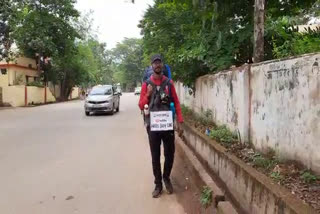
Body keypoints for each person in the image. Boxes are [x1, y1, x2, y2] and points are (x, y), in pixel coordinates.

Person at [139, 54, 184, 198]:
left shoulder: (169, 83)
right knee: (155, 155)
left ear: (162, 65)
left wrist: (180, 122)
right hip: (153, 126)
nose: (157, 65)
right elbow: (141, 105)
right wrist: (147, 94)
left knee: (169, 154)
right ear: (151, 66)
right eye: (155, 63)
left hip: (167, 125)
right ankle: (158, 184)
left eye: (159, 63)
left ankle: (166, 178)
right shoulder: (146, 84)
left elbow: (176, 103)